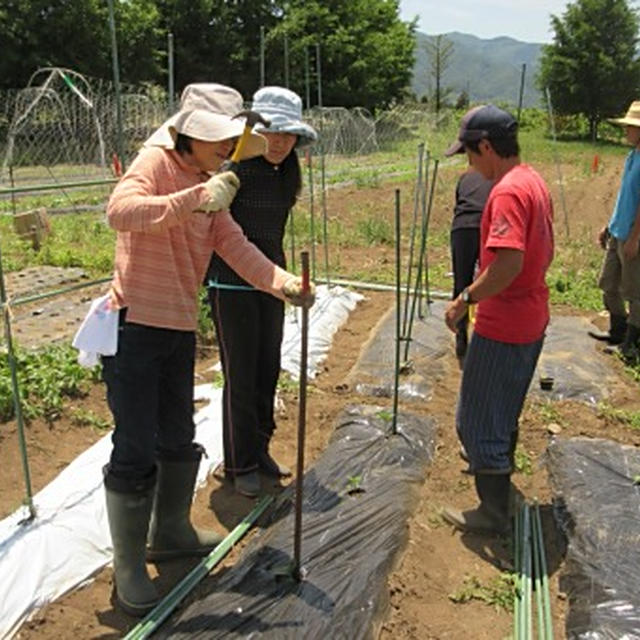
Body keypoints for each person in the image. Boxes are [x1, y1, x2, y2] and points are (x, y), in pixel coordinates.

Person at [101, 83, 314, 616]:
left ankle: (169, 529)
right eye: (220, 140)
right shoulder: (158, 163)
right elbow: (120, 212)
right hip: (133, 326)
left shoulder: (210, 178)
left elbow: (235, 246)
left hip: (175, 327)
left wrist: (283, 283)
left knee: (178, 433)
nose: (227, 150)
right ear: (190, 134)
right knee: (134, 442)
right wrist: (193, 199)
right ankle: (128, 566)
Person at [441, 104, 554, 534]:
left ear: (487, 147)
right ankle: (501, 487)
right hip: (531, 315)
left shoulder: (506, 192)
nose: (469, 164)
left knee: (475, 417)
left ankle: (492, 511)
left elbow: (507, 263)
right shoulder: (533, 181)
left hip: (505, 323)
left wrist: (465, 299)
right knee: (503, 408)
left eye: (470, 154)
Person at [206, 86, 317, 497]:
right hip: (229, 282)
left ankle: (261, 449)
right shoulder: (235, 169)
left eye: (289, 136)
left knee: (267, 367)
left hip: (272, 284)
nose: (281, 142)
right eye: (272, 133)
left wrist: (285, 282)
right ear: (255, 133)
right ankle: (240, 463)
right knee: (241, 374)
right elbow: (216, 228)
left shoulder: (283, 175)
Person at [588, 100, 640, 362]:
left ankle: (632, 342)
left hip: (633, 235)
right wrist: (609, 226)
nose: (626, 131)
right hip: (618, 230)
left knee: (634, 291)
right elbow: (625, 197)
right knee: (609, 284)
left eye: (630, 127)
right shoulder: (632, 156)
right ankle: (618, 331)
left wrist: (634, 238)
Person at [450, 167, 493, 364]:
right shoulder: (498, 176)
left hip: (462, 227)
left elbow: (458, 203)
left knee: (462, 282)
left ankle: (461, 338)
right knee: (489, 281)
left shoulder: (465, 177)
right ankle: (486, 339)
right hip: (486, 226)